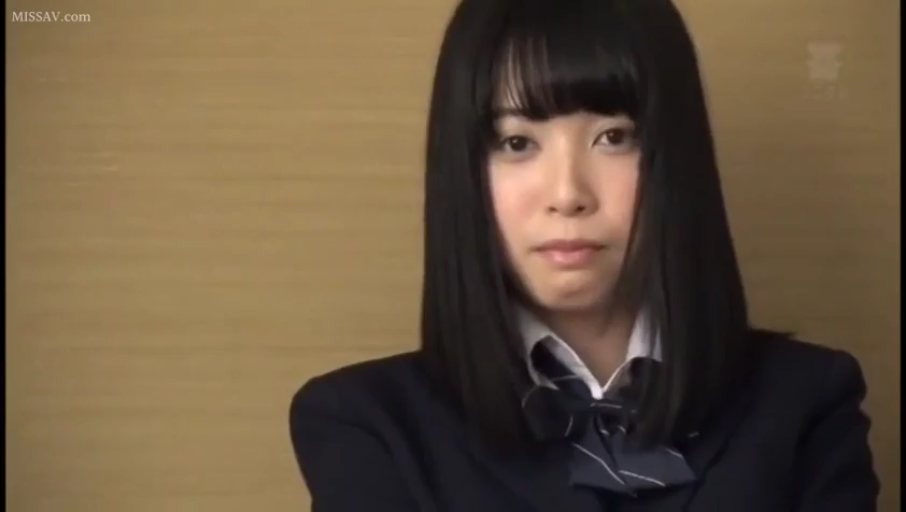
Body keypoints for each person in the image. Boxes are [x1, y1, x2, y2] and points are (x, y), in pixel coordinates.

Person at [288, 0, 881, 510]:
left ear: (675, 158)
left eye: (613, 137)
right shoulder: (367, 426)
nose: (568, 193)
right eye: (517, 142)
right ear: (464, 172)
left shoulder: (805, 403)